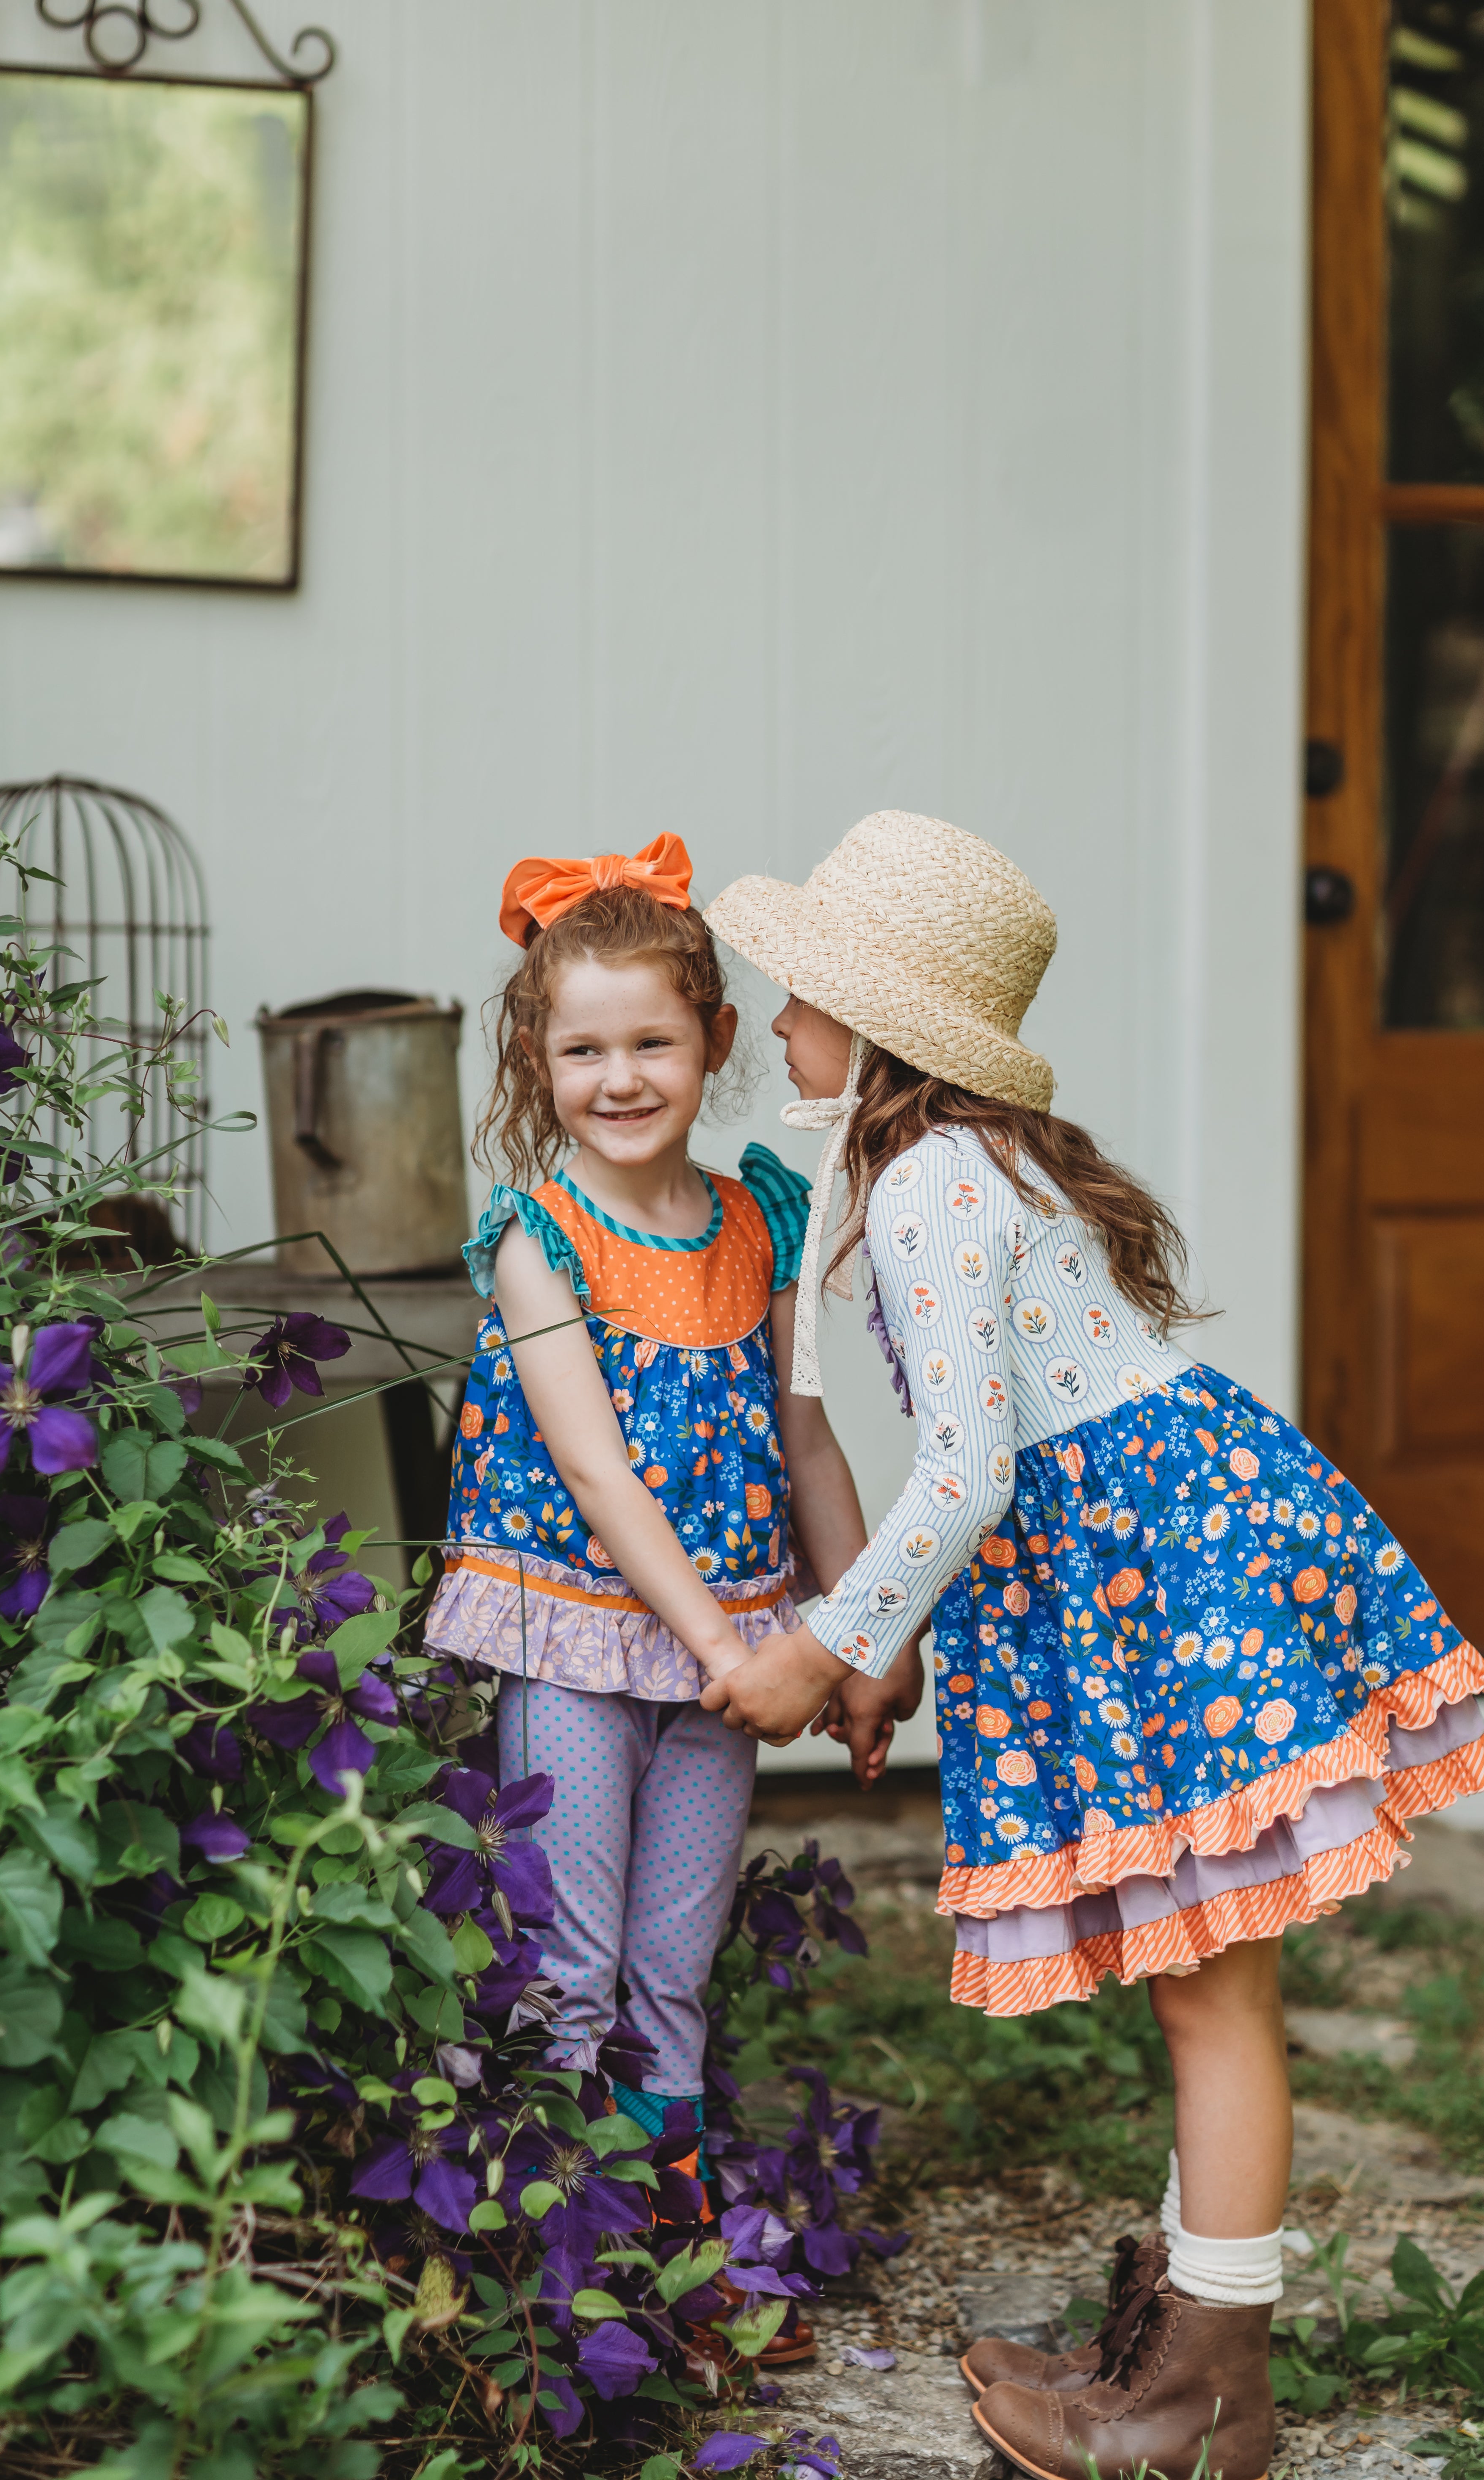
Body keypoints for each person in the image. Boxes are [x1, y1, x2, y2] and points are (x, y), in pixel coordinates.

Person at [699, 811, 1484, 2480]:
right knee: (1206, 1979)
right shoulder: (969, 1162)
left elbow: (963, 1470)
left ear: (872, 1026)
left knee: (1213, 1995)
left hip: (1164, 1593)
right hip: (1172, 1563)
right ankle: (1174, 2340)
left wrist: (815, 1645)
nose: (775, 1022)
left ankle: (1204, 2402)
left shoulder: (928, 1179)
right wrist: (889, 1640)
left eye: (797, 995)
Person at [423, 835, 890, 2263]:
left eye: (651, 1041)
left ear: (717, 1043)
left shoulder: (760, 1222)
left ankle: (663, 2247)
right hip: (579, 1633)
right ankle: (557, 2257)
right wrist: (730, 1651)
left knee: (671, 1963)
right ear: (534, 1056)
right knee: (571, 1965)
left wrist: (862, 1640)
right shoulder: (534, 1236)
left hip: (732, 1653)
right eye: (581, 1049)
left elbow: (808, 1442)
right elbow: (594, 1467)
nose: (617, 1078)